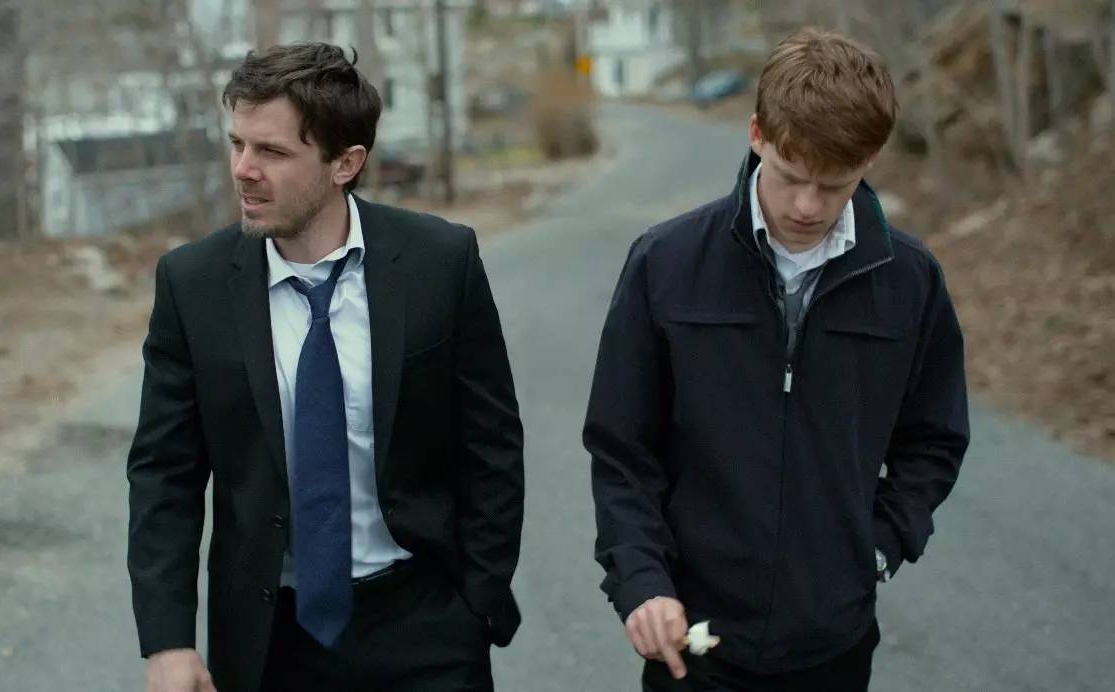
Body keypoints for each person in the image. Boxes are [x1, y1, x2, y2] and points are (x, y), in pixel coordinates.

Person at [127, 43, 524, 692]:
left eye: (272, 152)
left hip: (425, 626)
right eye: (237, 144)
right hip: (269, 642)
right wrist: (168, 640)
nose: (243, 170)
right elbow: (164, 475)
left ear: (346, 163)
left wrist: (477, 598)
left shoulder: (439, 262)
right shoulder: (192, 285)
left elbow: (493, 444)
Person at [584, 28, 970, 691]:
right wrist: (642, 580)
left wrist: (879, 546)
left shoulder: (909, 280)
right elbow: (622, 448)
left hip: (835, 644)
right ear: (758, 135)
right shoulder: (666, 263)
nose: (807, 206)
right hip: (693, 642)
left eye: (834, 185)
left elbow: (934, 440)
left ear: (870, 158)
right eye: (792, 177)